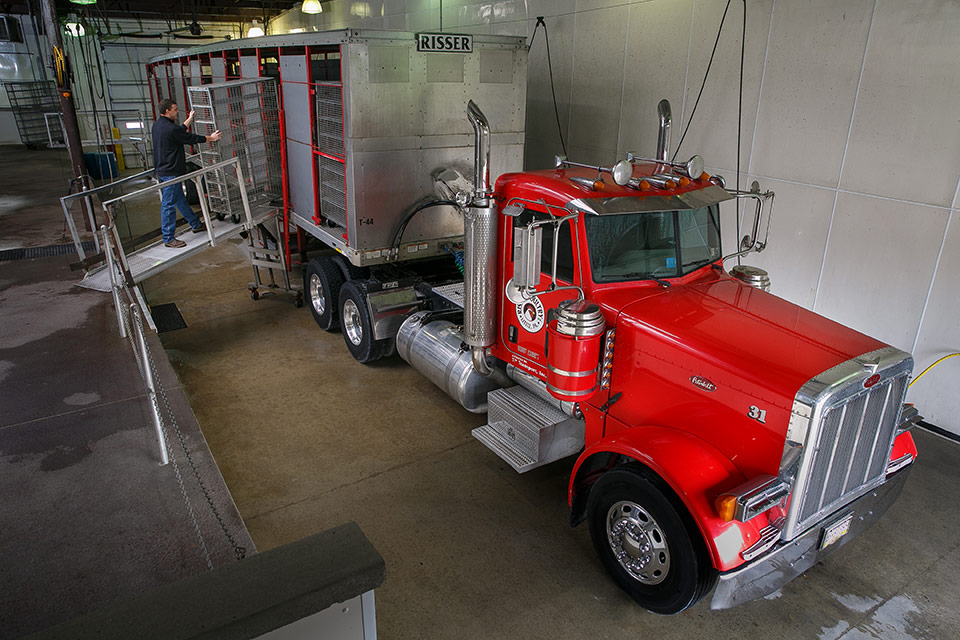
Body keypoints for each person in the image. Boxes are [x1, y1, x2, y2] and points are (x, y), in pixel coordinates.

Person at [152, 98, 223, 248]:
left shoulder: (158, 126)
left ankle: (195, 224)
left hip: (163, 169)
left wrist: (189, 120)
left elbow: (179, 132)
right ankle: (168, 238)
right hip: (171, 171)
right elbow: (189, 138)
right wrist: (210, 138)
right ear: (167, 111)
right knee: (168, 204)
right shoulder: (171, 129)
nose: (177, 112)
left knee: (178, 200)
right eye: (175, 109)